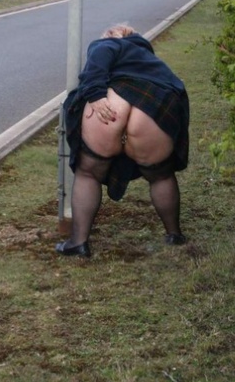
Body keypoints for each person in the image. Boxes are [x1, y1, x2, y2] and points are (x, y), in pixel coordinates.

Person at [56, 24, 190, 258]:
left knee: (88, 172)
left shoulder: (107, 43)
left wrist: (95, 94)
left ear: (113, 34)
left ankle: (78, 242)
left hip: (110, 105)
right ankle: (174, 234)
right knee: (161, 175)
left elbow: (96, 63)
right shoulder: (150, 59)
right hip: (152, 109)